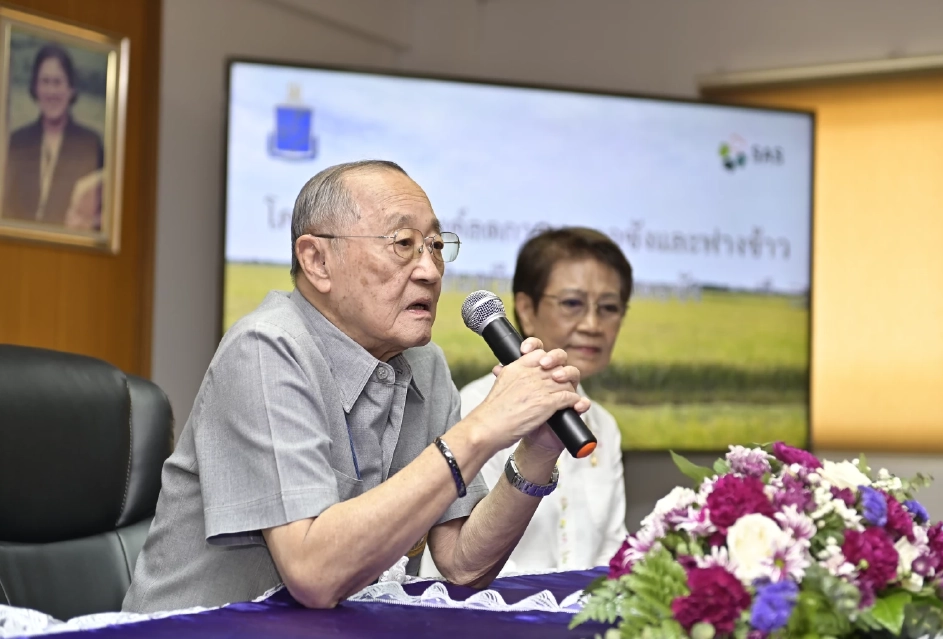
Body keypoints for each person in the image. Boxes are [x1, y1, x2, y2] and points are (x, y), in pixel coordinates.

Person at [123, 160, 590, 613]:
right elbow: (313, 573)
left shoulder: (424, 365)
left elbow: (464, 563)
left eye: (435, 246)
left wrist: (537, 452)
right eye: (403, 243)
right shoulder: (265, 348)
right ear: (317, 261)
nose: (429, 270)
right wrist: (483, 427)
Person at [422, 227, 631, 577]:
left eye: (609, 307)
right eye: (573, 304)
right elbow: (459, 562)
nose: (594, 324)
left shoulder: (603, 425)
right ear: (526, 309)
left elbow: (613, 551)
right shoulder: (471, 409)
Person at [2, 43, 103, 228]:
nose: (51, 92)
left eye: (57, 82)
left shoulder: (90, 144)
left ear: (71, 89)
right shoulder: (17, 142)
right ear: (35, 88)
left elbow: (105, 215)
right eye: (45, 81)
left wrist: (90, 223)